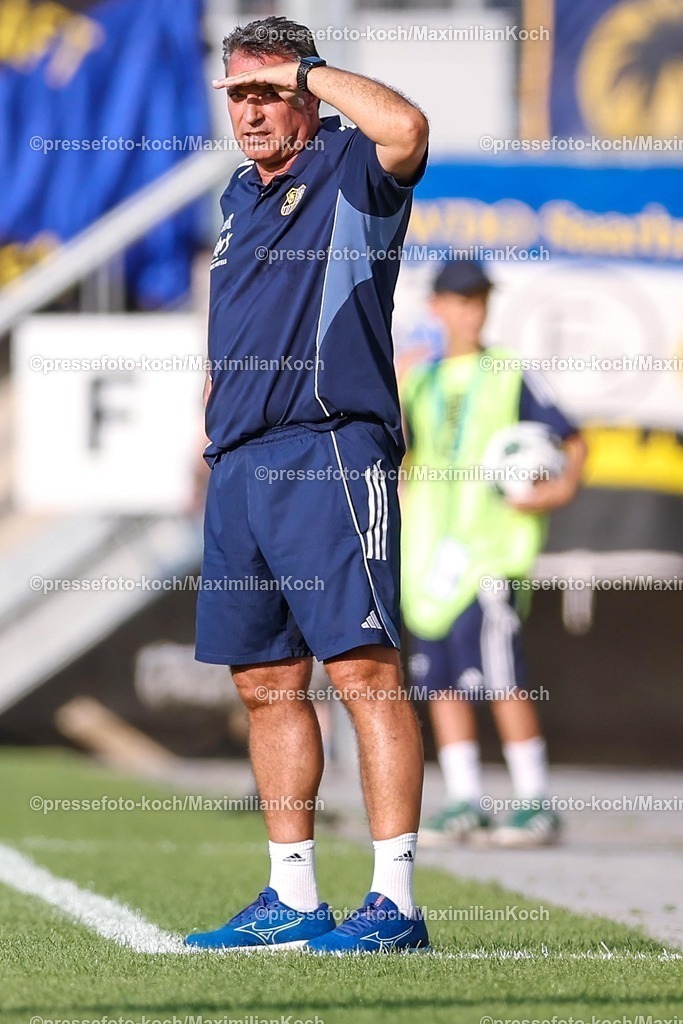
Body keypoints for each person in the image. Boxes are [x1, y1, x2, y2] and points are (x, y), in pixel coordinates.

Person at [185, 17, 430, 954]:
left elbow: (406, 129)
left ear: (304, 93)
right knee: (264, 682)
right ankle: (291, 897)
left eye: (268, 93)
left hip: (326, 451)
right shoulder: (237, 196)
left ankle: (395, 904)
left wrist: (310, 70)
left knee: (363, 673)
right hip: (240, 465)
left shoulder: (350, 167)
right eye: (238, 95)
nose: (250, 112)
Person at [400, 260, 587, 848]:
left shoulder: (509, 371)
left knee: (502, 675)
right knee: (441, 682)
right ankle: (465, 801)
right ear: (436, 307)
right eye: (461, 300)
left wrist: (558, 488)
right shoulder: (418, 381)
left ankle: (535, 800)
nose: (473, 311)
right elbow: (399, 454)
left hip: (490, 552)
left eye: (480, 300)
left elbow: (573, 440)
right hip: (427, 558)